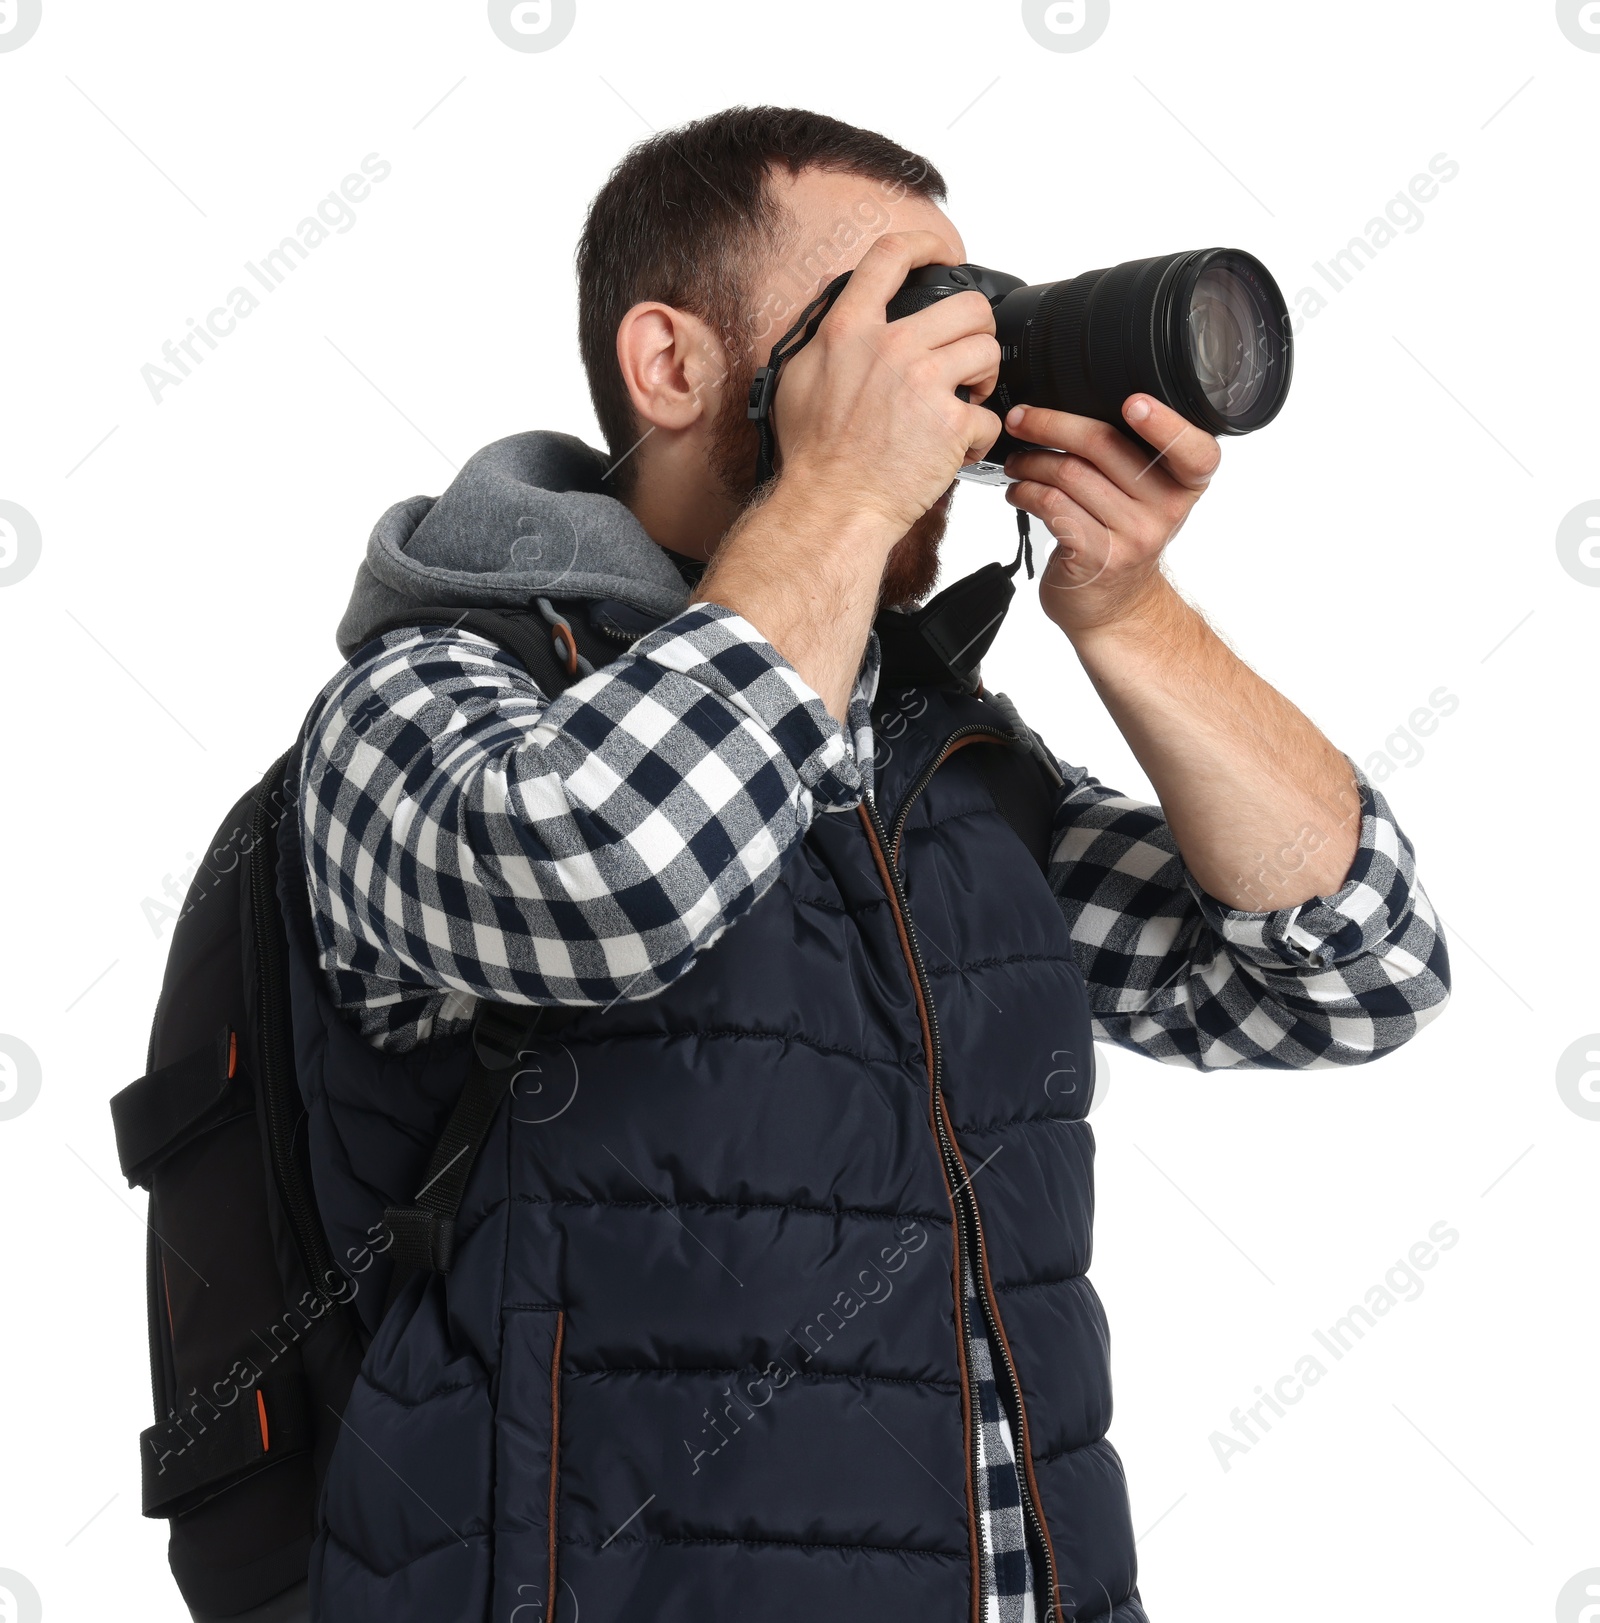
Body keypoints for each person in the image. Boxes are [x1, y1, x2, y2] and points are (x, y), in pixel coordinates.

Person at [290, 106, 1449, 1623]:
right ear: (674, 363)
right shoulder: (431, 699)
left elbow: (1355, 975)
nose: (953, 374)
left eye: (967, 320)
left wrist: (1129, 614)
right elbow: (603, 876)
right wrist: (840, 494)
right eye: (894, 318)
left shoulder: (933, 758)